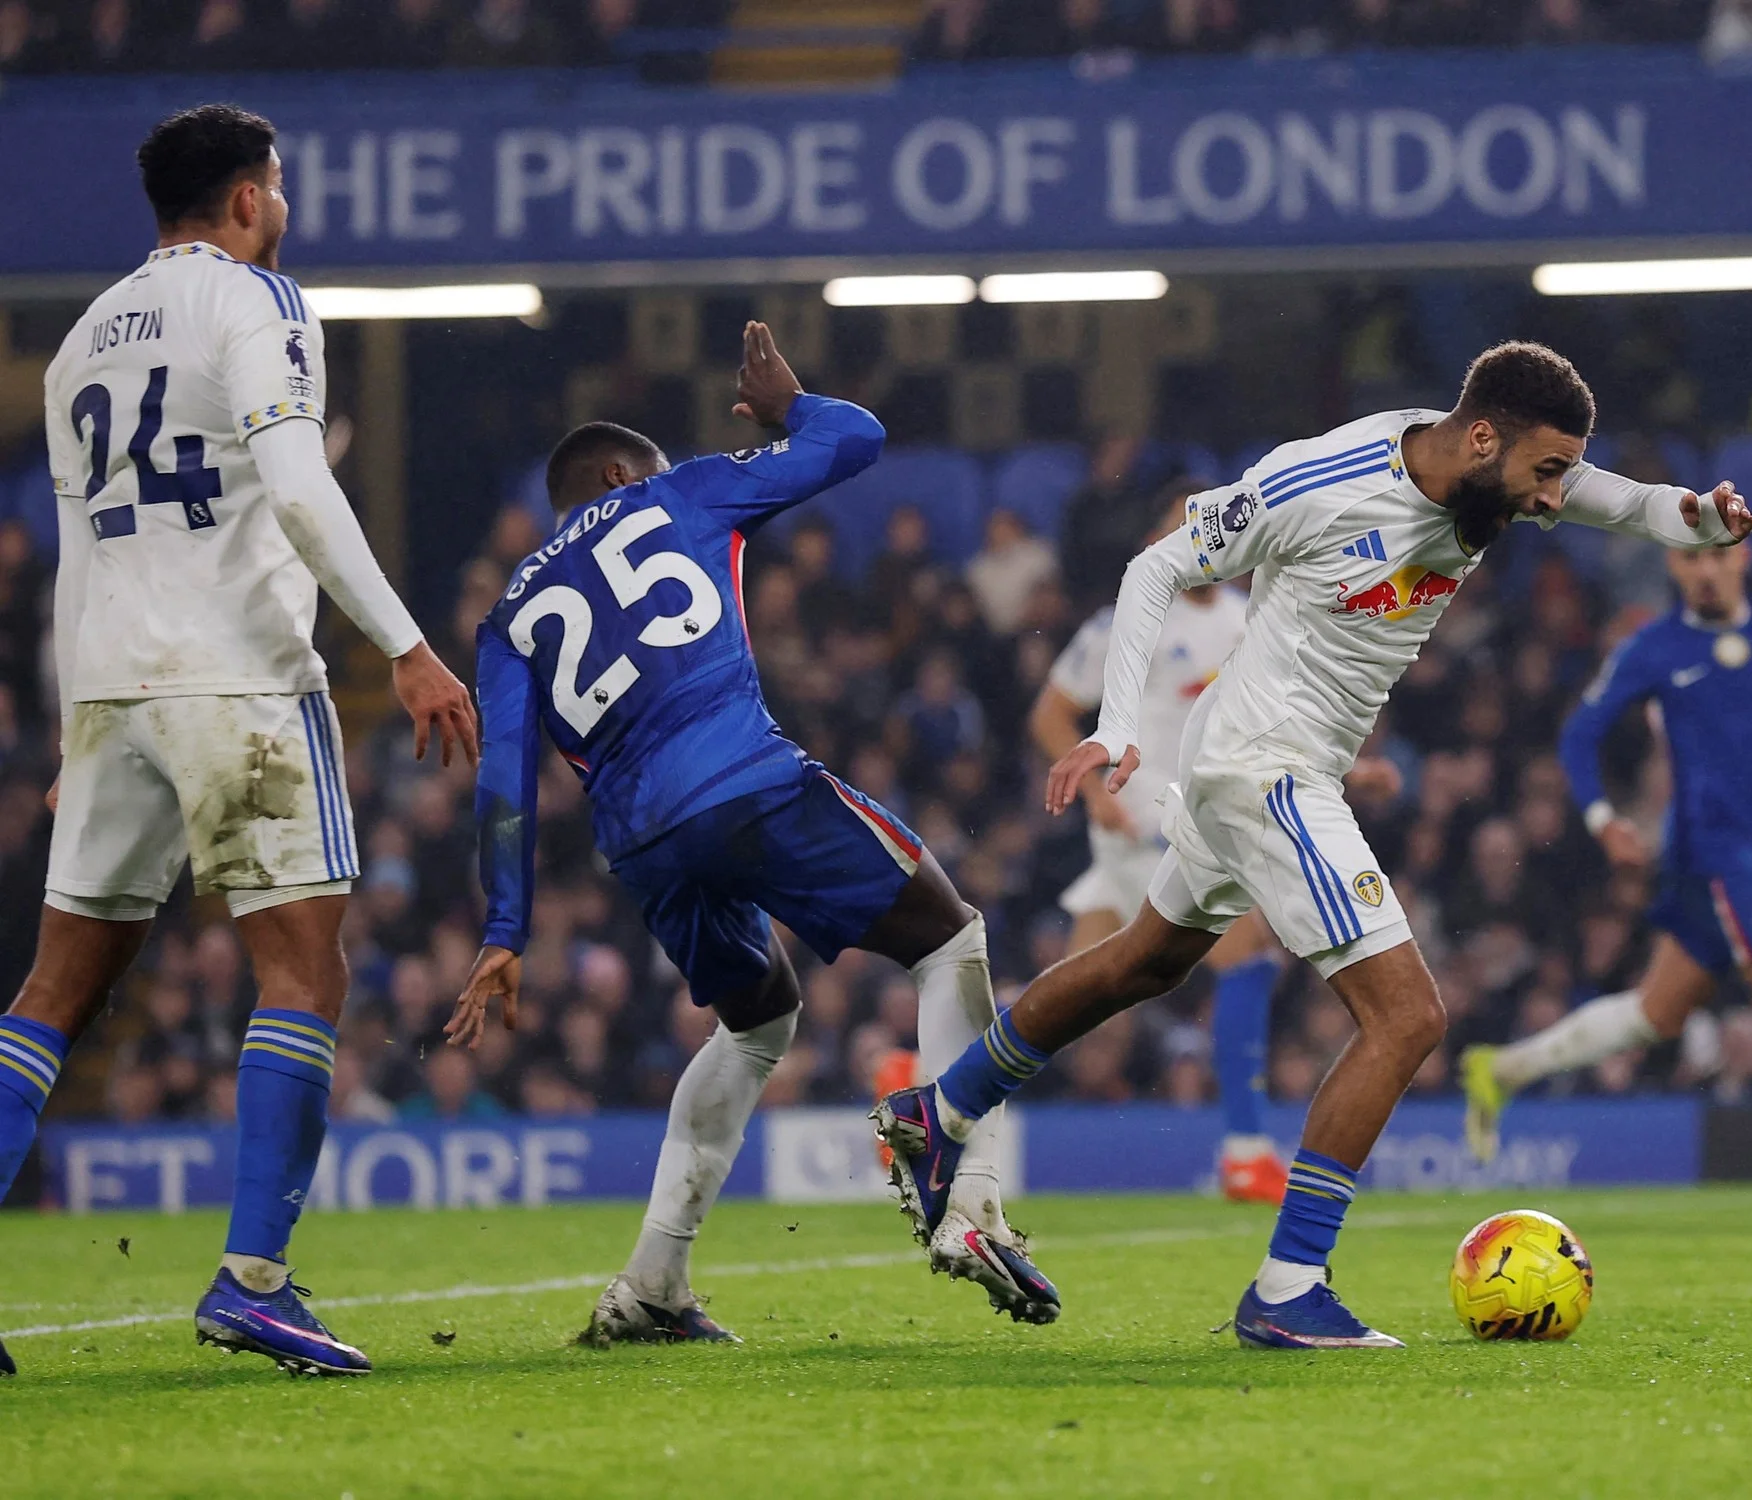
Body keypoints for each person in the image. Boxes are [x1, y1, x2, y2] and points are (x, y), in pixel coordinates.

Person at [874, 341, 1752, 1350]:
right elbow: (1157, 563)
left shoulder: (1497, 478)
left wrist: (1698, 513)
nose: (1553, 499)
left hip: (1265, 759)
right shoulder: (1322, 481)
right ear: (1480, 437)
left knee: (1139, 963)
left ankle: (939, 1107)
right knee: (1407, 1016)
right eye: (1544, 473)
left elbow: (1626, 503)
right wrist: (1116, 724)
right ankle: (1288, 1286)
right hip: (1265, 766)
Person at [446, 322, 1059, 1345]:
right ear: (613, 473)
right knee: (948, 936)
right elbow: (855, 439)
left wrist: (505, 928)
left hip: (643, 845)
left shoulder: (507, 616)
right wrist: (790, 413)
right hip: (739, 778)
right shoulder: (673, 491)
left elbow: (504, 787)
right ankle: (971, 1201)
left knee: (757, 1018)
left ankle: (651, 1285)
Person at [0, 105, 475, 1380]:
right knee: (303, 975)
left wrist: (71, 717)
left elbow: (73, 556)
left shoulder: (77, 345)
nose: (284, 205)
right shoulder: (260, 306)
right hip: (238, 680)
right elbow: (300, 484)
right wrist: (406, 644)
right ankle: (253, 1280)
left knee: (55, 993)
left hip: (112, 683)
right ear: (248, 198)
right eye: (279, 185)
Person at [1459, 542, 1752, 1224]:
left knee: (1656, 1013)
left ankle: (1500, 1069)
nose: (1705, 570)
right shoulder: (1656, 645)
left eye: (1717, 555)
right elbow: (1579, 735)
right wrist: (1603, 819)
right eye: (1689, 558)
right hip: (1710, 857)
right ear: (1674, 568)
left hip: (1750, 851)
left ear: (1743, 555)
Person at [1030, 486, 1295, 1203]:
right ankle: (1246, 1150)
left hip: (1202, 819)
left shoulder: (1250, 621)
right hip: (1141, 821)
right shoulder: (1130, 620)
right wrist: (1092, 794)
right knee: (1249, 958)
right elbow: (1051, 714)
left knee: (1071, 995)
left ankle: (933, 1087)